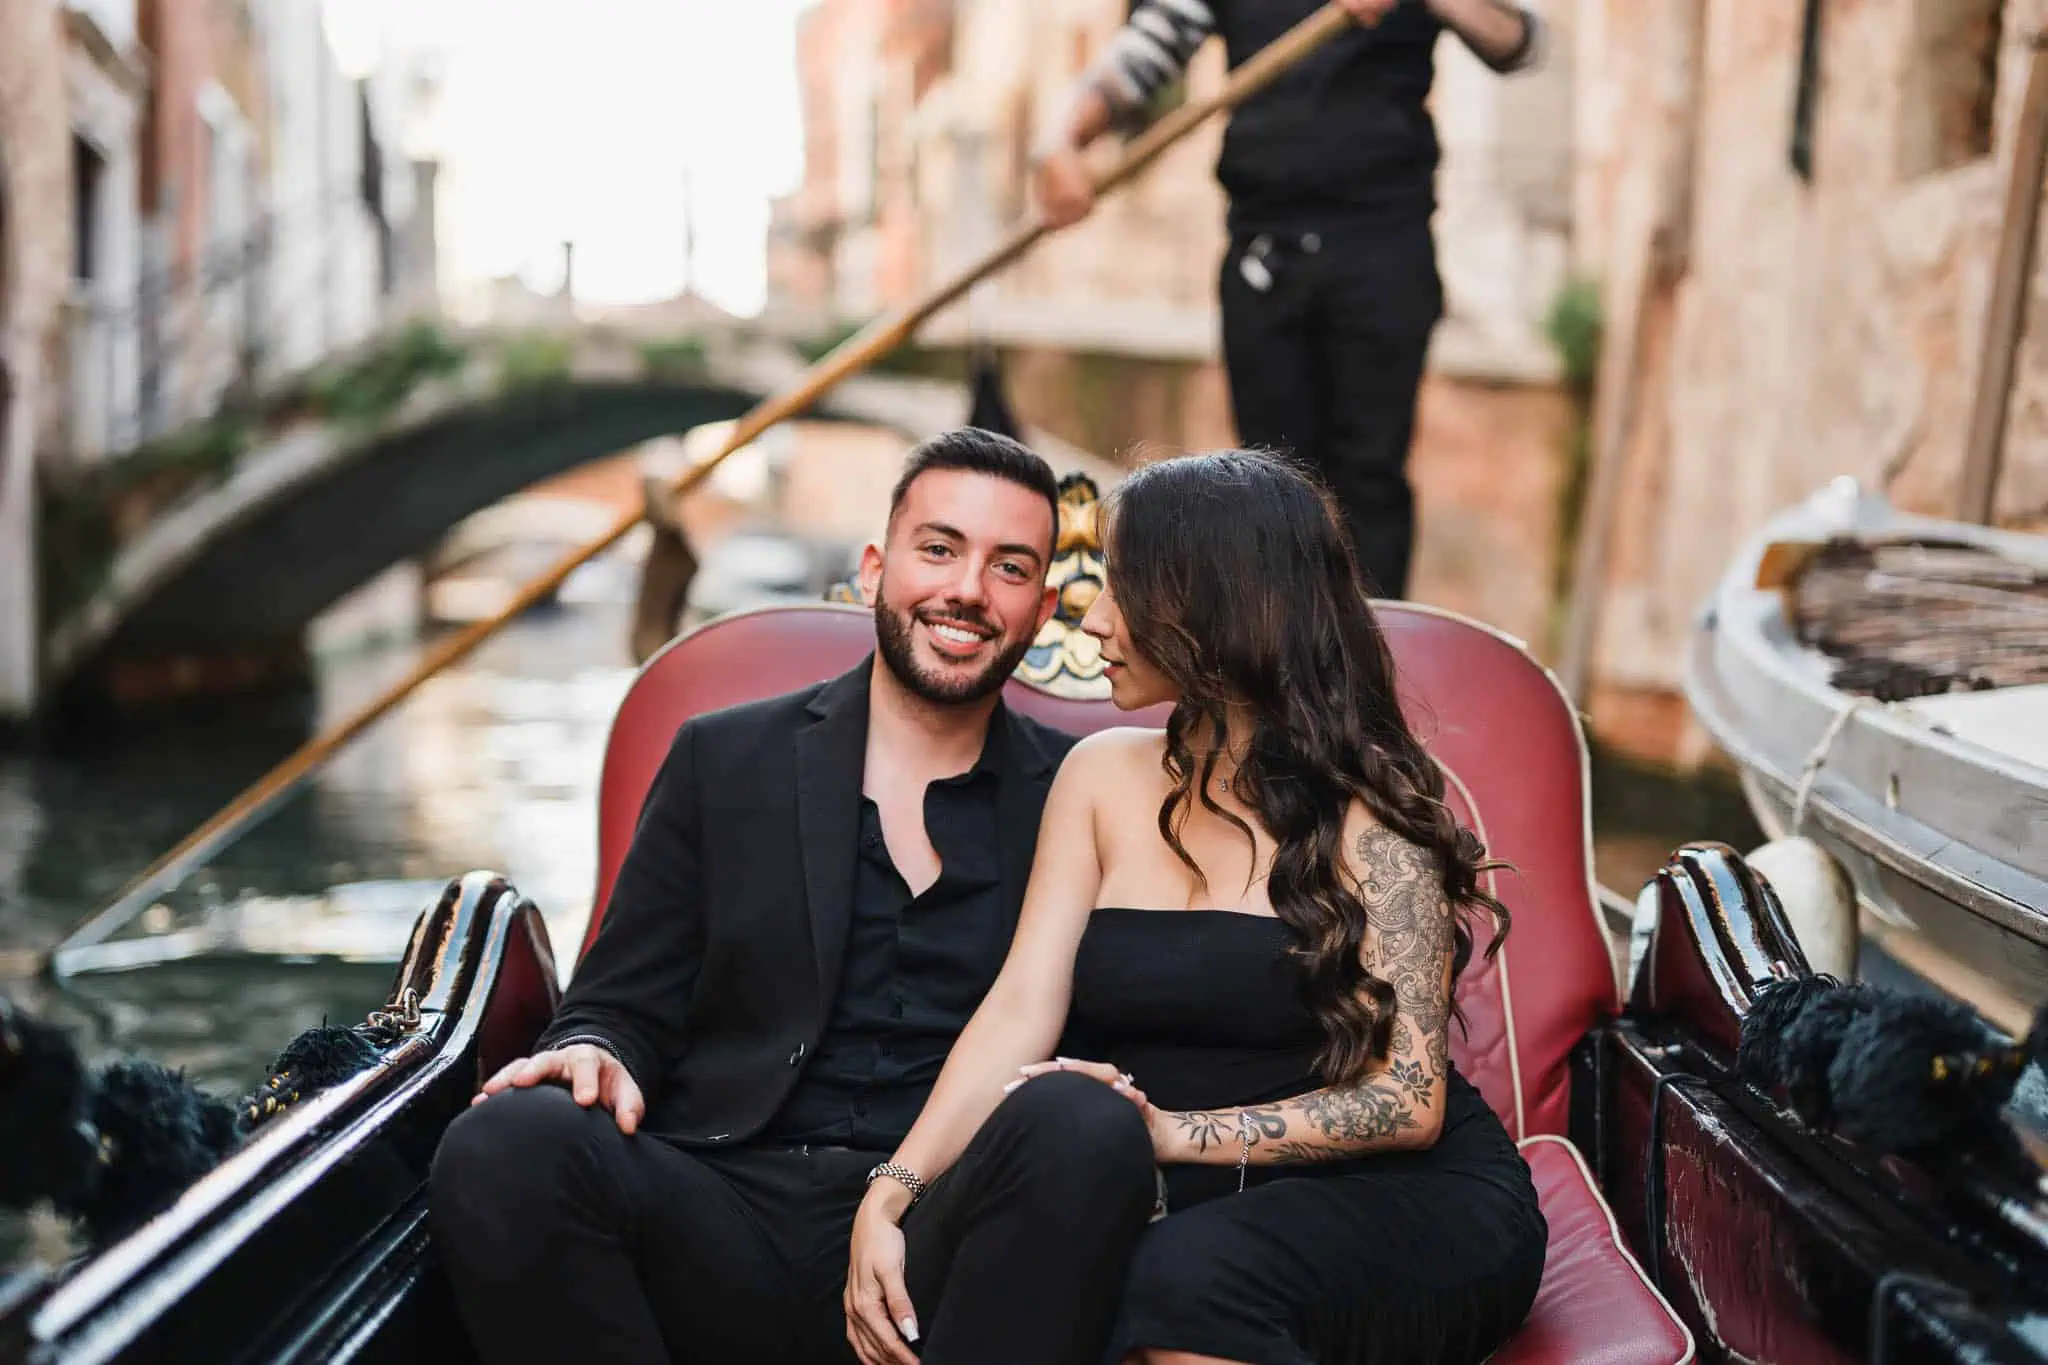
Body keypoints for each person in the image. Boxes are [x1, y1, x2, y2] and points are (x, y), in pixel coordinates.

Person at [428, 429, 1162, 1365]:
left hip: (954, 1234)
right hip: (722, 1201)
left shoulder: (1081, 795)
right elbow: (619, 1003)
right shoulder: (723, 757)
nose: (968, 590)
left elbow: (1117, 1024)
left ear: (1043, 607)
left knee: (1086, 1124)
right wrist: (595, 1048)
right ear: (875, 570)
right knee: (504, 1143)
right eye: (939, 548)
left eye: (1009, 567)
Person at [843, 450, 1546, 1365]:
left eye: (1122, 589)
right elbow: (1020, 1008)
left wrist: (1173, 1134)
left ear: (1214, 606)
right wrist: (894, 1188)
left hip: (1408, 1198)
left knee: (1183, 1277)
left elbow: (1409, 1101)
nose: (1093, 619)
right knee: (1150, 1261)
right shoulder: (1099, 778)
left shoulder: (1375, 817)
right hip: (1199, 1196)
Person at [1033, 0, 1543, 601]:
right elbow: (1144, 53)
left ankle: (1372, 653)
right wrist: (1060, 139)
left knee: (1370, 481)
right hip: (1264, 250)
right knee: (1269, 489)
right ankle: (1274, 656)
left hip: (1382, 247)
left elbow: (1520, 42)